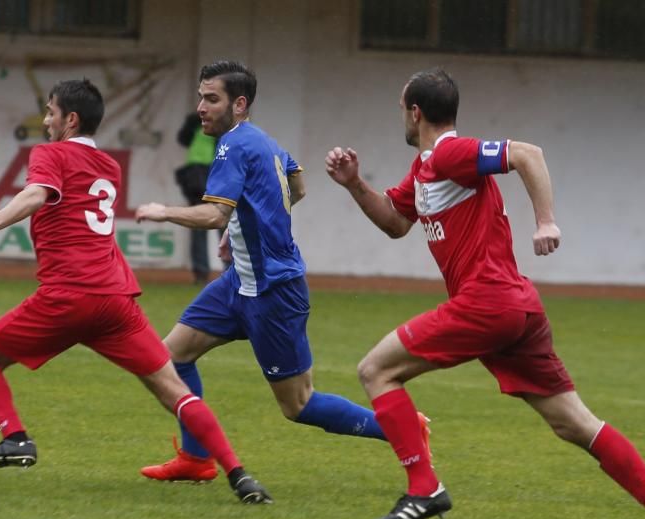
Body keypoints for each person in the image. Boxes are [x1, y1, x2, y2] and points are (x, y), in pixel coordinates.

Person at [324, 67, 645, 519]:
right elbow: (395, 223)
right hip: (516, 308)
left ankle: (425, 487)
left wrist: (545, 221)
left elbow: (527, 154)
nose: (402, 118)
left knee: (376, 370)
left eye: (402, 109)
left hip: (488, 302)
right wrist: (354, 185)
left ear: (415, 112)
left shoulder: (452, 153)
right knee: (573, 423)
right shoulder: (425, 169)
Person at [0, 78, 271, 504]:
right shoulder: (108, 165)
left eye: (50, 112)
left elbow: (37, 194)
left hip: (67, 295)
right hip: (115, 300)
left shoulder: (50, 154)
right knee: (173, 389)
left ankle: (17, 438)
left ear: (71, 118)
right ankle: (240, 475)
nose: (46, 121)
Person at [135, 60, 430, 484]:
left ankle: (404, 428)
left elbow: (216, 214)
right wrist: (244, 229)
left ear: (239, 104)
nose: (201, 106)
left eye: (211, 98)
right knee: (172, 357)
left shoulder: (233, 146)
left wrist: (165, 212)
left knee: (299, 406)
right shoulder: (264, 142)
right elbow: (297, 187)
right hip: (240, 281)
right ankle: (197, 459)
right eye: (200, 97)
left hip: (274, 290)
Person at [174, 111, 222, 284]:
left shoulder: (226, 124)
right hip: (196, 175)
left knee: (224, 223)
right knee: (198, 223)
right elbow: (183, 139)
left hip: (218, 173)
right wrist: (194, 119)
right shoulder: (196, 122)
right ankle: (200, 273)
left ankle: (232, 270)